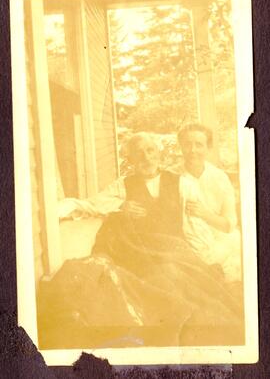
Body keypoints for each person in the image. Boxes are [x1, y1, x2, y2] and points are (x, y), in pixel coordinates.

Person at [42, 132, 244, 348]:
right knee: (156, 284)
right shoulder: (123, 185)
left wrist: (198, 257)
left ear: (158, 154)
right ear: (130, 160)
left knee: (189, 285)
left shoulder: (182, 184)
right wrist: (121, 206)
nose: (146, 158)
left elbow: (193, 225)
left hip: (173, 248)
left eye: (150, 151)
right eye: (138, 154)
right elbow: (93, 204)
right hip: (139, 250)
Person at [177, 123, 242, 283]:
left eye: (199, 145)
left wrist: (204, 214)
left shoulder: (219, 178)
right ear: (181, 147)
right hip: (188, 241)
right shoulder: (172, 176)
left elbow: (228, 226)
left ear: (208, 147)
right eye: (187, 144)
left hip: (221, 241)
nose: (192, 150)